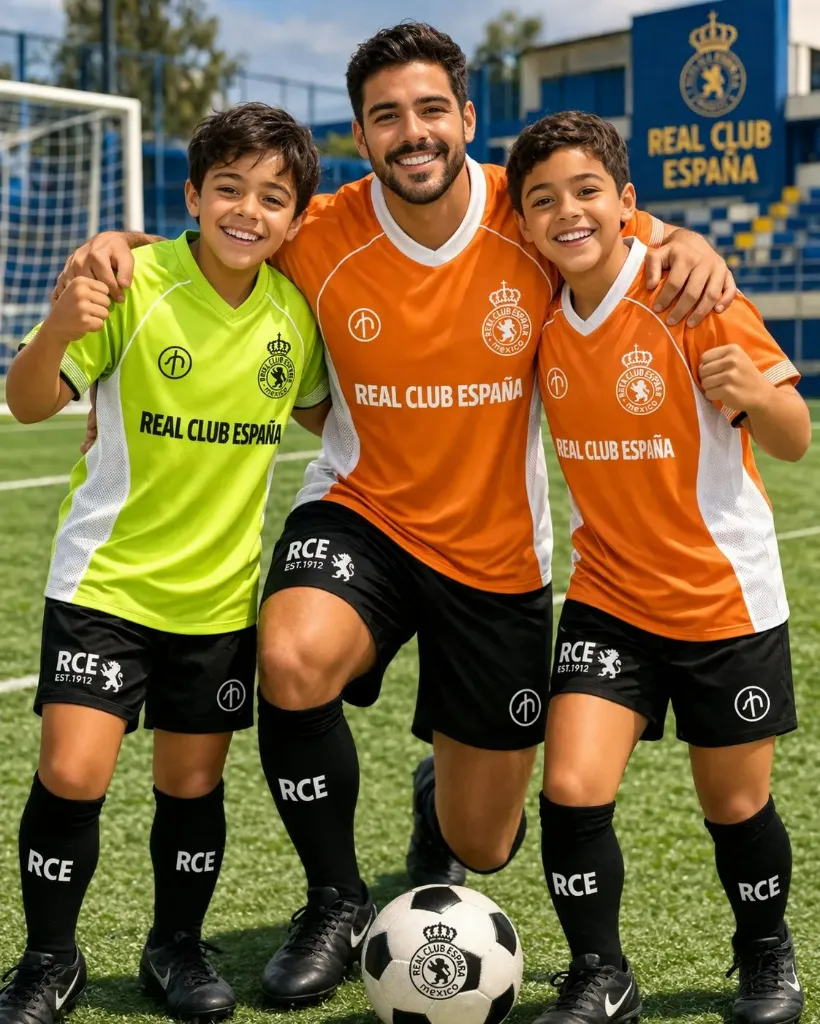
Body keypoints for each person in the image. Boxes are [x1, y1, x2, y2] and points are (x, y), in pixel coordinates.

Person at [54, 23, 738, 1011]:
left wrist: (685, 238)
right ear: (363, 137)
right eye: (385, 117)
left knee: (484, 842)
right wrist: (120, 247)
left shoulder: (528, 212)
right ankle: (331, 899)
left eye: (429, 111)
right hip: (361, 512)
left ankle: (437, 814)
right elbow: (216, 240)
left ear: (466, 118)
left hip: (496, 553)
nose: (410, 133)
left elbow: (617, 226)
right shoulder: (325, 227)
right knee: (288, 658)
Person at [0, 103, 329, 1024]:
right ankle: (48, 960)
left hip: (218, 600)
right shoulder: (133, 281)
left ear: (296, 218)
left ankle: (175, 946)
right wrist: (59, 328)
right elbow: (27, 404)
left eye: (272, 197)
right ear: (192, 194)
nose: (247, 210)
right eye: (228, 188)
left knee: (192, 785)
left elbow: (328, 419)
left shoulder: (293, 320)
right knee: (73, 772)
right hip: (105, 582)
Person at [505, 110, 810, 1024]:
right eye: (543, 200)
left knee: (735, 802)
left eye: (588, 191)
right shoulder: (541, 318)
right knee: (570, 786)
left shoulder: (690, 295)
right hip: (609, 597)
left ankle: (767, 958)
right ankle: (602, 973)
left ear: (627, 203)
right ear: (522, 223)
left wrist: (758, 394)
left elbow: (792, 438)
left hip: (723, 598)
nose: (568, 213)